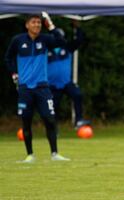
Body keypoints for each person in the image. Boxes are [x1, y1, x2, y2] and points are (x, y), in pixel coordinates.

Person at [4, 13, 70, 163]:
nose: (37, 25)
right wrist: (14, 73)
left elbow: (61, 41)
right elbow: (8, 58)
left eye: (39, 23)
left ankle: (55, 154)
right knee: (26, 121)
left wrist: (51, 25)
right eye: (34, 22)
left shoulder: (45, 40)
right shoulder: (18, 40)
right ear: (27, 25)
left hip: (42, 87)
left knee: (50, 119)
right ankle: (30, 155)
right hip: (25, 88)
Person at [47, 21, 90, 130]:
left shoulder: (67, 48)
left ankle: (78, 120)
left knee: (77, 95)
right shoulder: (45, 50)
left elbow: (79, 40)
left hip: (66, 82)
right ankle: (54, 127)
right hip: (52, 85)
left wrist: (77, 27)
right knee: (54, 107)